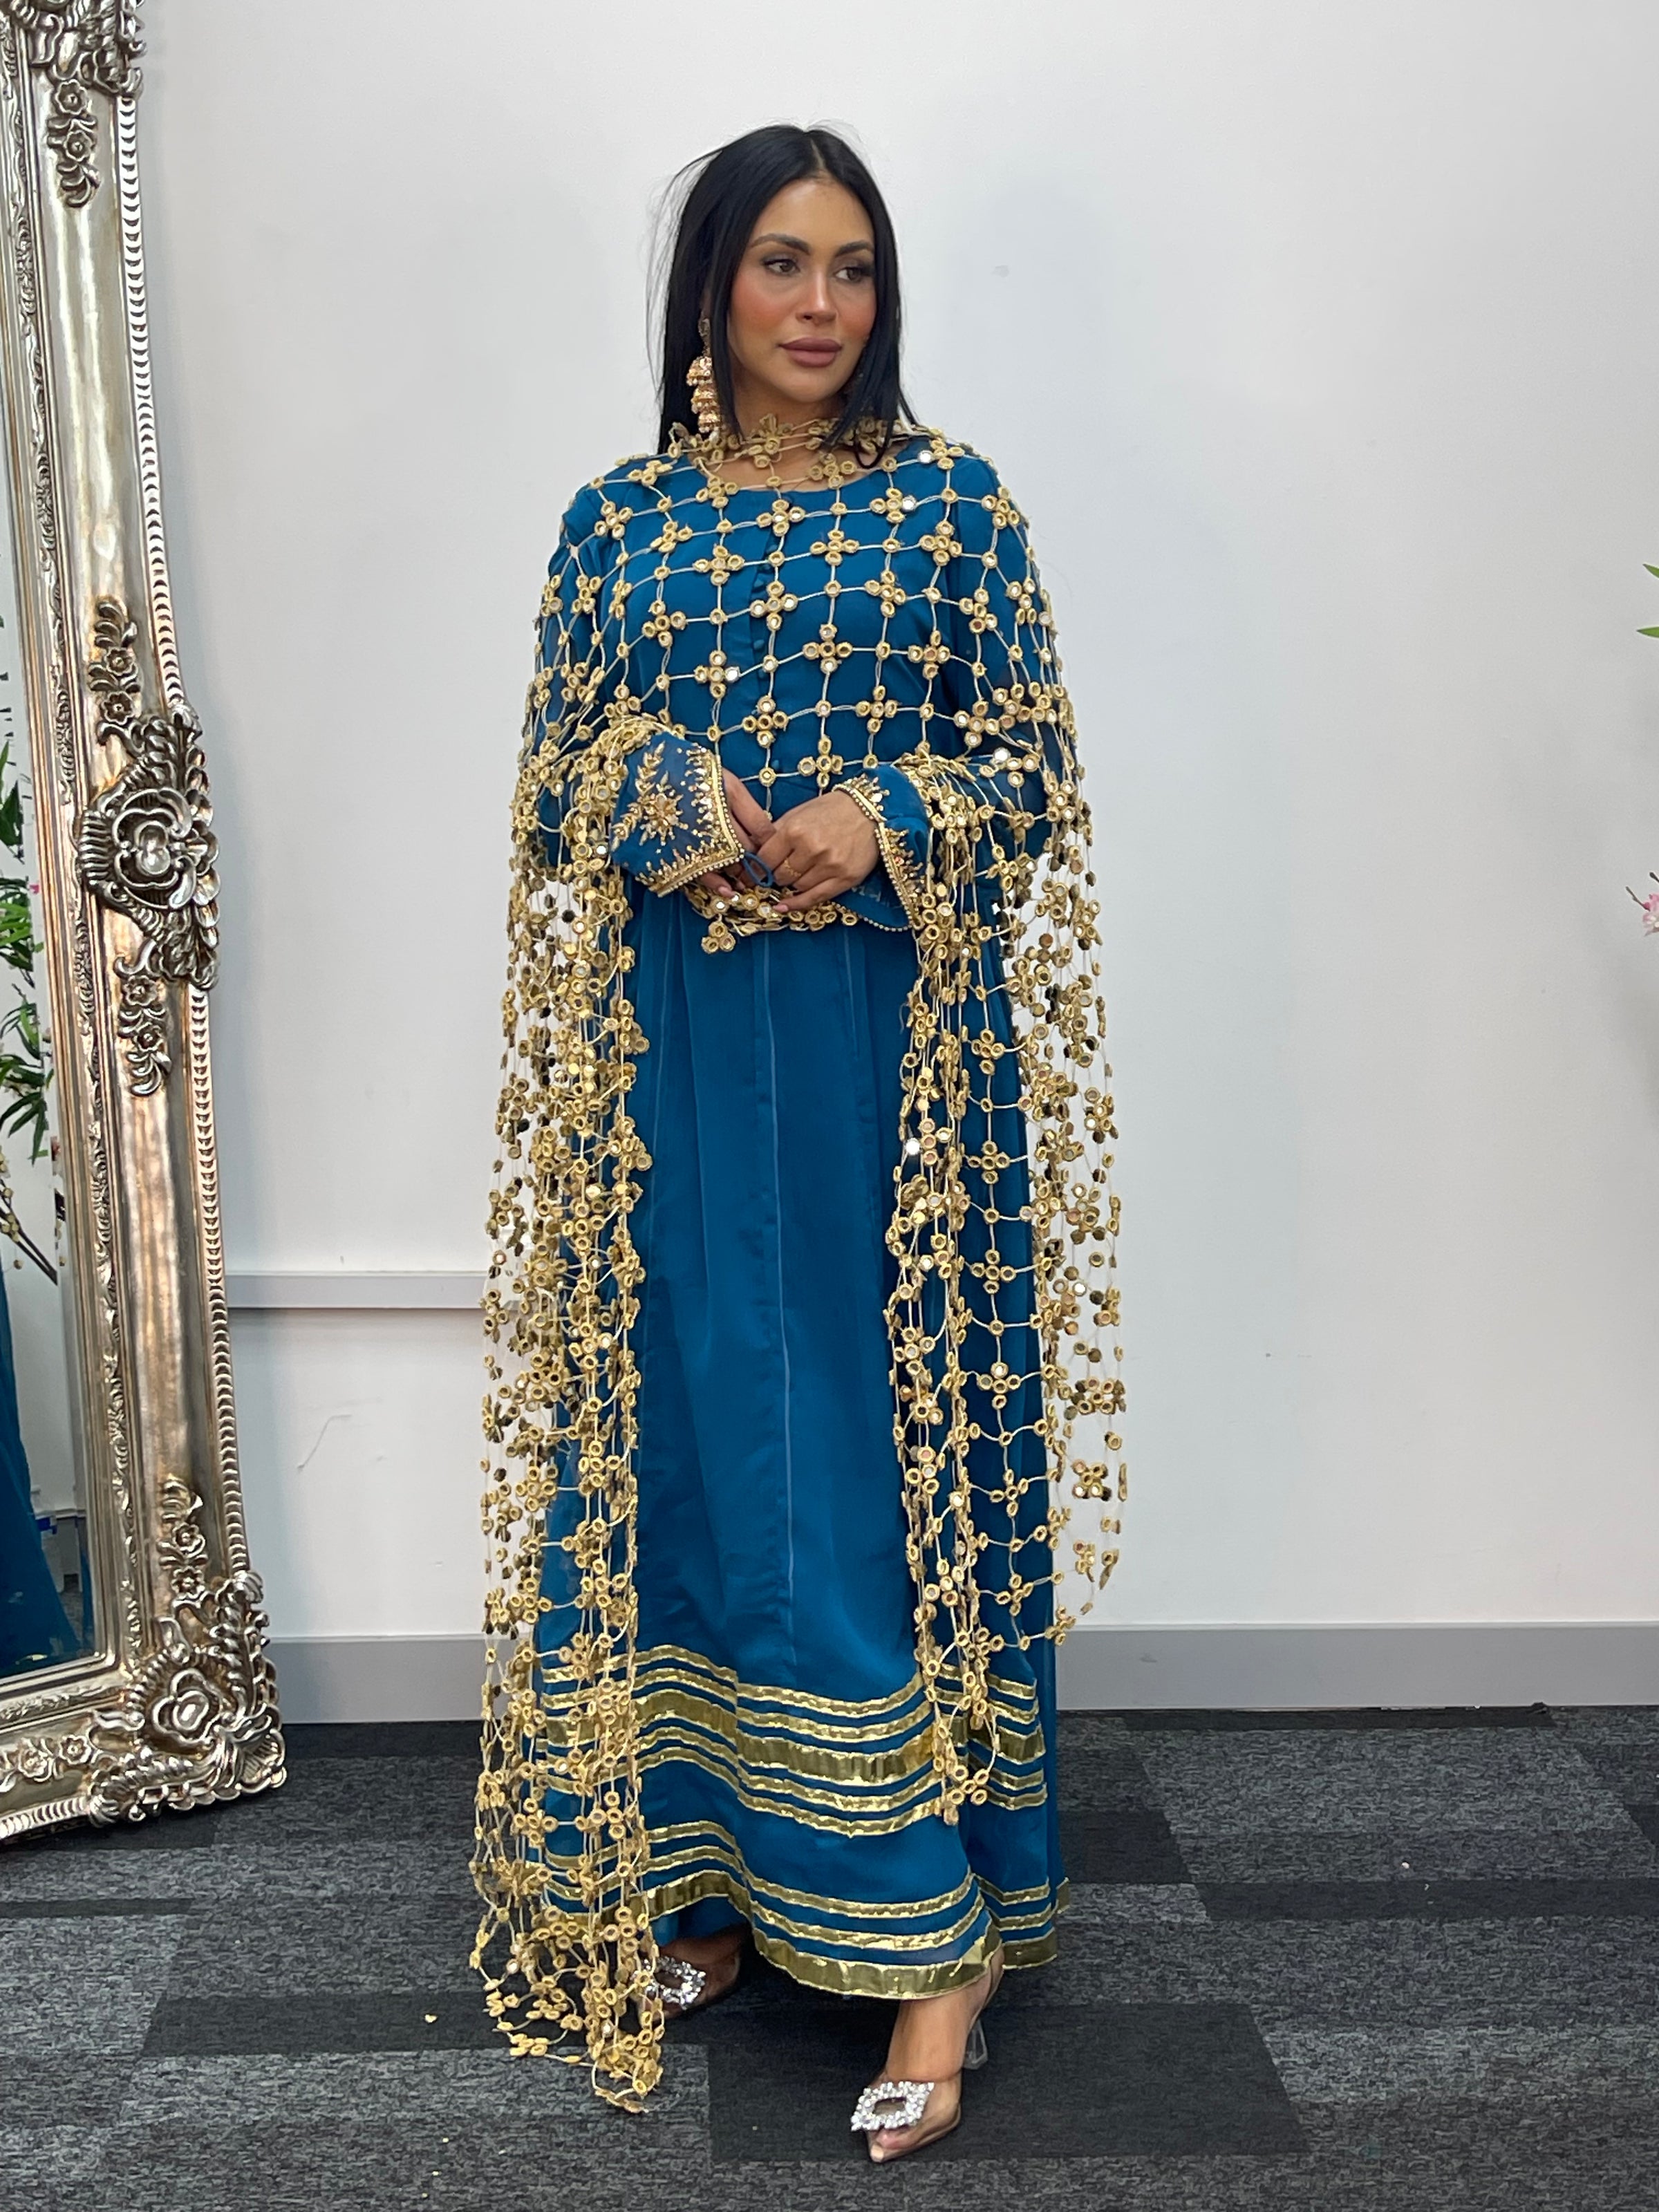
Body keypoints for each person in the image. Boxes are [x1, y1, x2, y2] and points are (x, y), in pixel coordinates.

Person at [472, 122, 1125, 2160]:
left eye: (853, 267)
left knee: (860, 1446)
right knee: (681, 1434)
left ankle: (936, 1941)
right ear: (710, 287)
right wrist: (668, 797)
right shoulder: (619, 523)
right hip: (672, 1056)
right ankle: (720, 1874)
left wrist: (886, 811)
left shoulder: (951, 507)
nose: (821, 305)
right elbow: (555, 779)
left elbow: (1031, 766)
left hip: (885, 1065)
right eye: (781, 262)